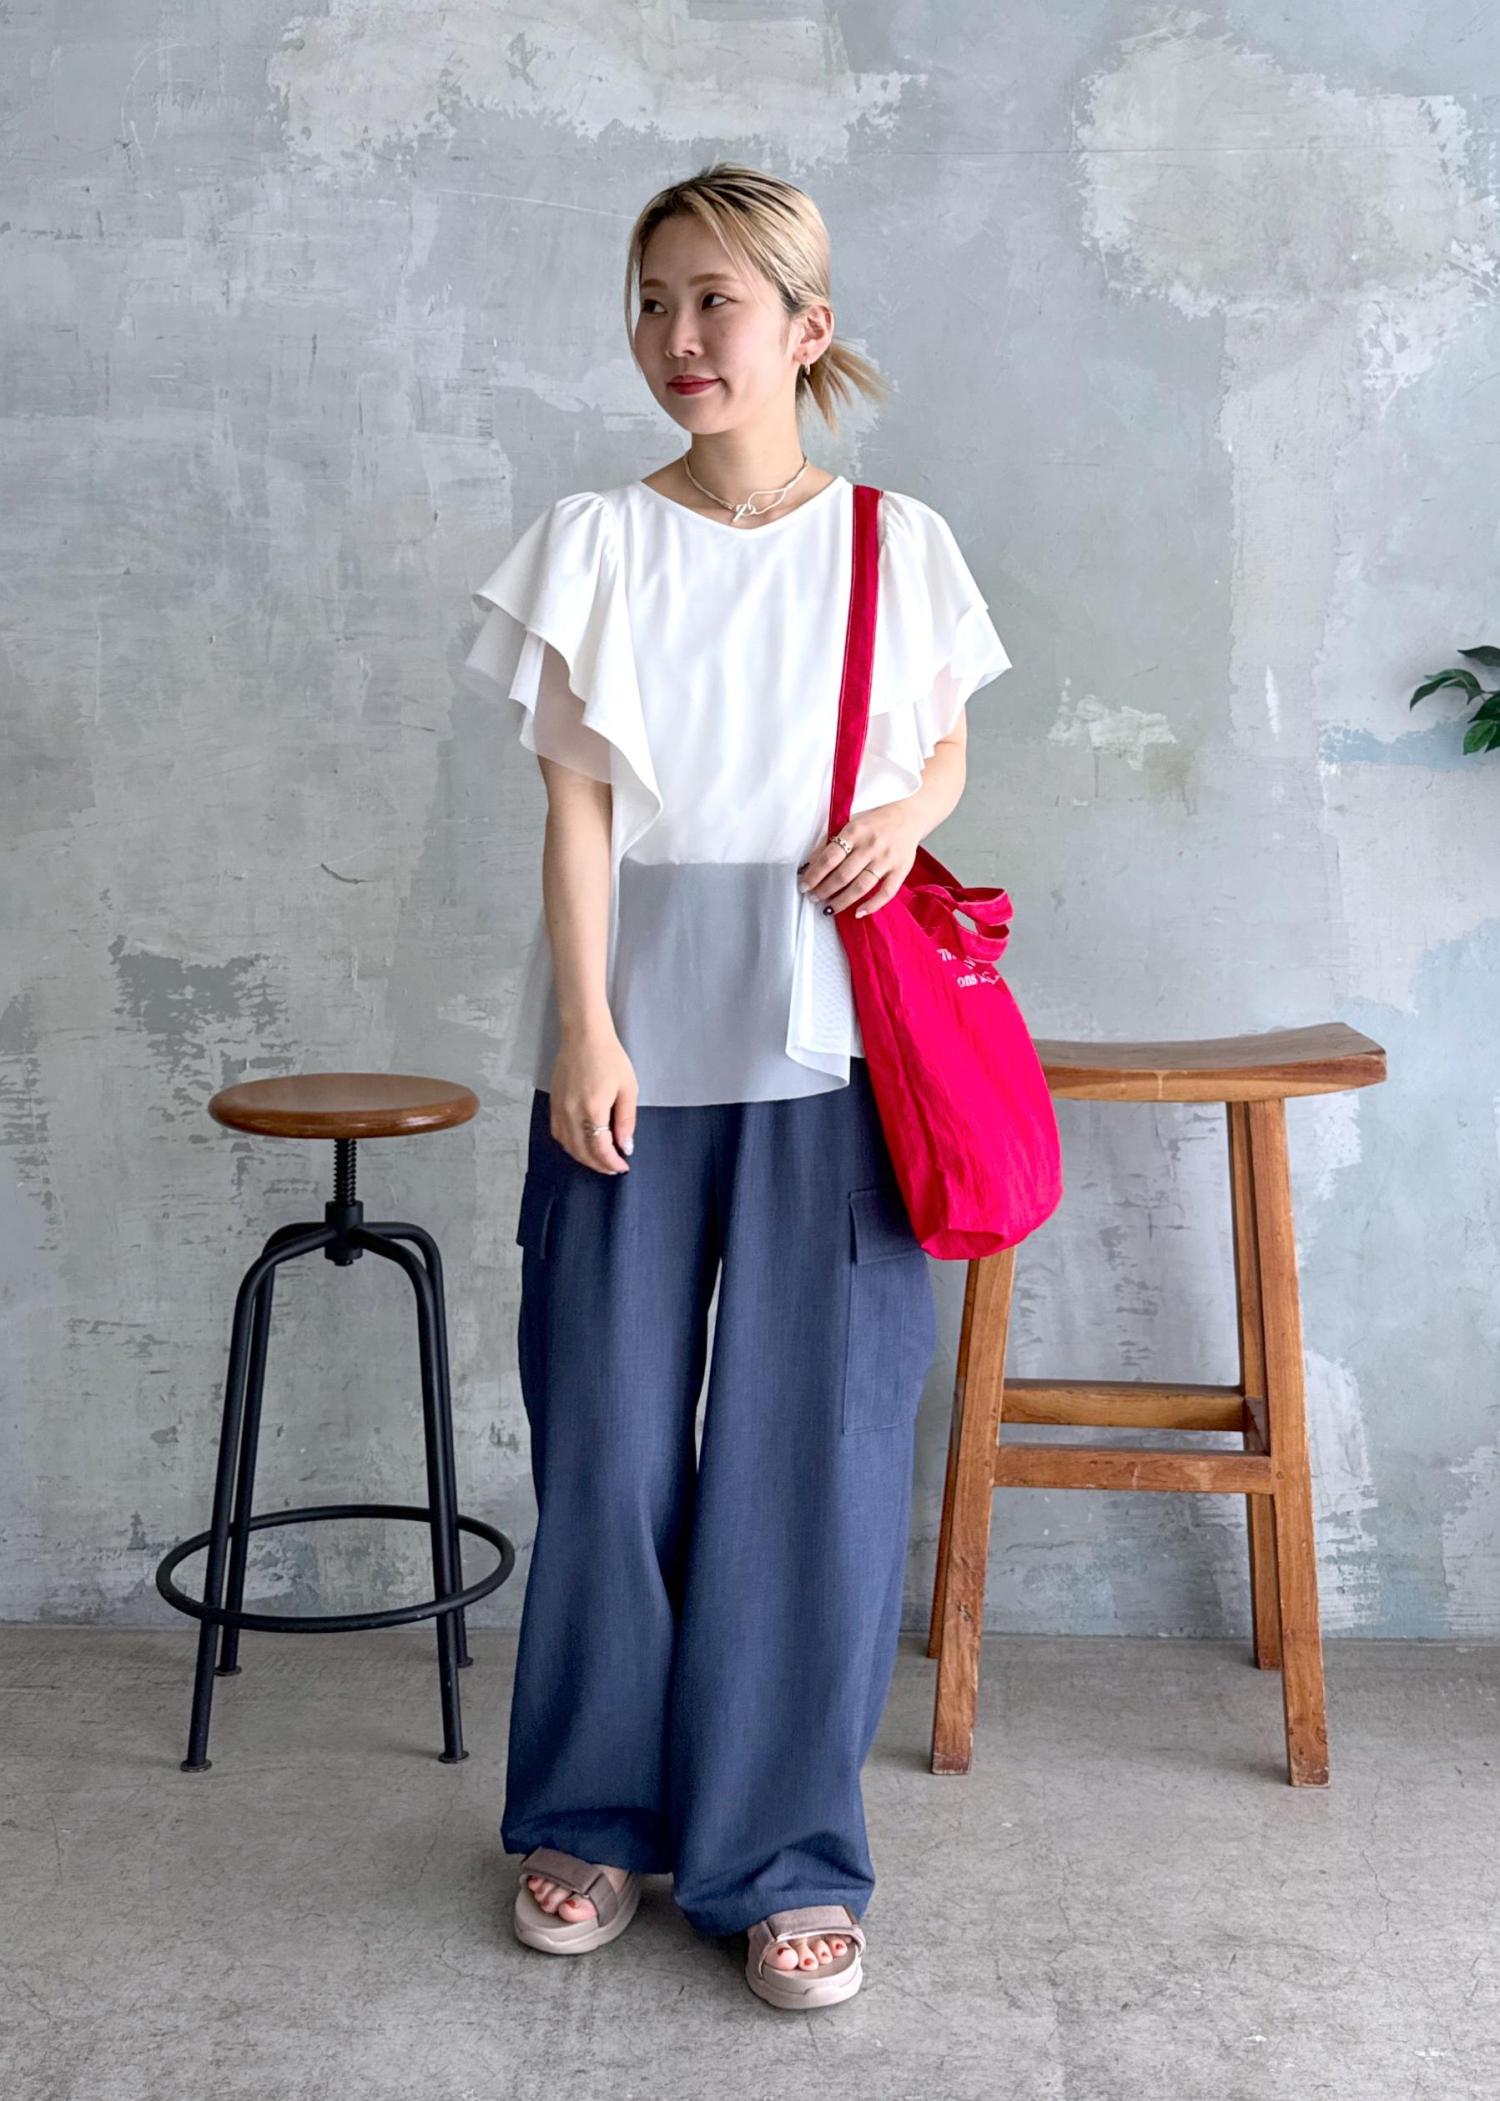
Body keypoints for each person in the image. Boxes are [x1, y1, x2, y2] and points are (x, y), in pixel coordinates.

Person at [459, 162, 1012, 2011]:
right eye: (651, 300)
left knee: (816, 1452)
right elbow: (575, 808)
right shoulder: (596, 542)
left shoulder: (895, 542)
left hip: (835, 1042)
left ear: (805, 327)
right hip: (634, 1037)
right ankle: (591, 1813)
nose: (678, 337)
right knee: (607, 1435)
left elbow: (943, 745)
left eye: (716, 301)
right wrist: (584, 1025)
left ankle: (787, 1854)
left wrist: (899, 820)